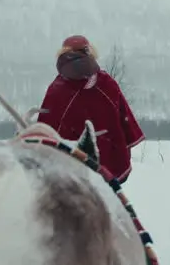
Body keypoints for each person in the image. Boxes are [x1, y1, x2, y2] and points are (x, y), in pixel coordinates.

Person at [38, 34, 144, 184]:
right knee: (107, 203)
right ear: (90, 52)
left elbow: (46, 132)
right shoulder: (107, 84)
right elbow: (125, 125)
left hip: (67, 171)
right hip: (108, 168)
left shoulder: (57, 89)